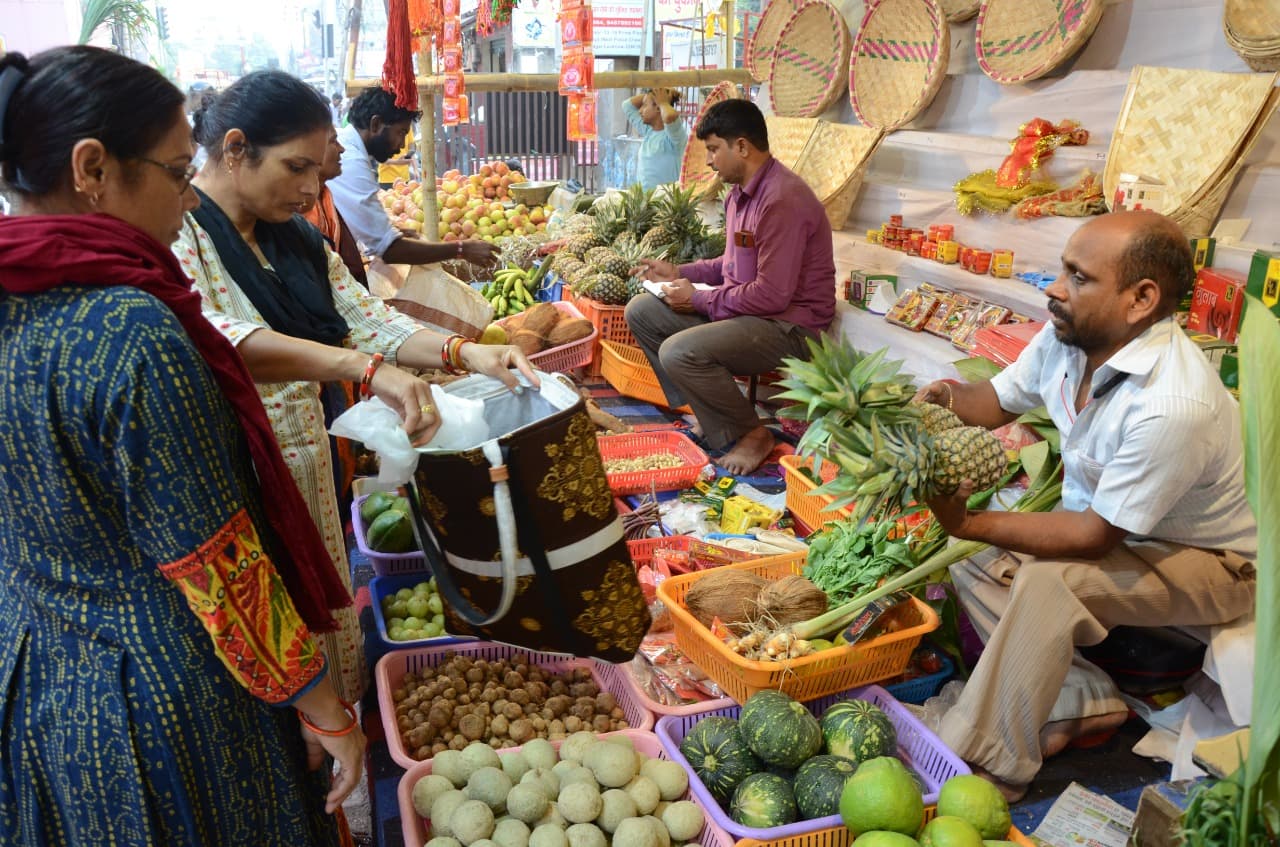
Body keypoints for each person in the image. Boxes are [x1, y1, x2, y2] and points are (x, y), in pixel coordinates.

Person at [0, 46, 363, 845]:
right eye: (173, 170)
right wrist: (323, 705)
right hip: (165, 697)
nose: (187, 194)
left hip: (41, 673)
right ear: (92, 168)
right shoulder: (130, 328)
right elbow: (217, 559)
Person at [176, 70, 539, 704]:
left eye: (319, 169)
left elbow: (367, 318)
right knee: (266, 641)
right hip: (236, 477)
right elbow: (215, 336)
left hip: (310, 462)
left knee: (323, 613)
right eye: (296, 168)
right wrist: (361, 370)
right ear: (235, 149)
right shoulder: (183, 235)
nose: (313, 187)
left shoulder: (295, 237)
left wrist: (467, 352)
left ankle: (336, 734)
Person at [914, 210, 1257, 801]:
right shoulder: (1070, 339)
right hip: (1124, 533)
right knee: (967, 552)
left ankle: (993, 765)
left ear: (1140, 299)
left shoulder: (1171, 403)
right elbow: (996, 400)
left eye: (1077, 277)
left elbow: (1093, 538)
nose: (1054, 288)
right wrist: (940, 399)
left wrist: (969, 518)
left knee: (1053, 581)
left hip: (1213, 562)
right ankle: (1083, 698)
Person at [626, 99, 836, 475]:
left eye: (713, 149)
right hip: (752, 315)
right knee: (641, 311)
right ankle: (712, 414)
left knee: (679, 351)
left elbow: (771, 295)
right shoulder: (740, 194)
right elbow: (731, 265)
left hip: (789, 327)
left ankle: (752, 433)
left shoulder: (781, 200)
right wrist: (679, 271)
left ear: (742, 146)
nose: (708, 160)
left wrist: (700, 299)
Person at [330, 86, 498, 267]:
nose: (402, 145)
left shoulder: (349, 148)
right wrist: (461, 249)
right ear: (376, 124)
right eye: (401, 132)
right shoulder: (351, 162)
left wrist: (390, 232)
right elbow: (389, 250)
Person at [622, 87, 687, 190]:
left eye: (644, 105)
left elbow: (670, 116)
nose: (640, 110)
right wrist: (658, 94)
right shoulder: (648, 130)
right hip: (646, 201)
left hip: (666, 203)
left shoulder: (674, 136)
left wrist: (662, 102)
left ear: (658, 108)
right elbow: (627, 105)